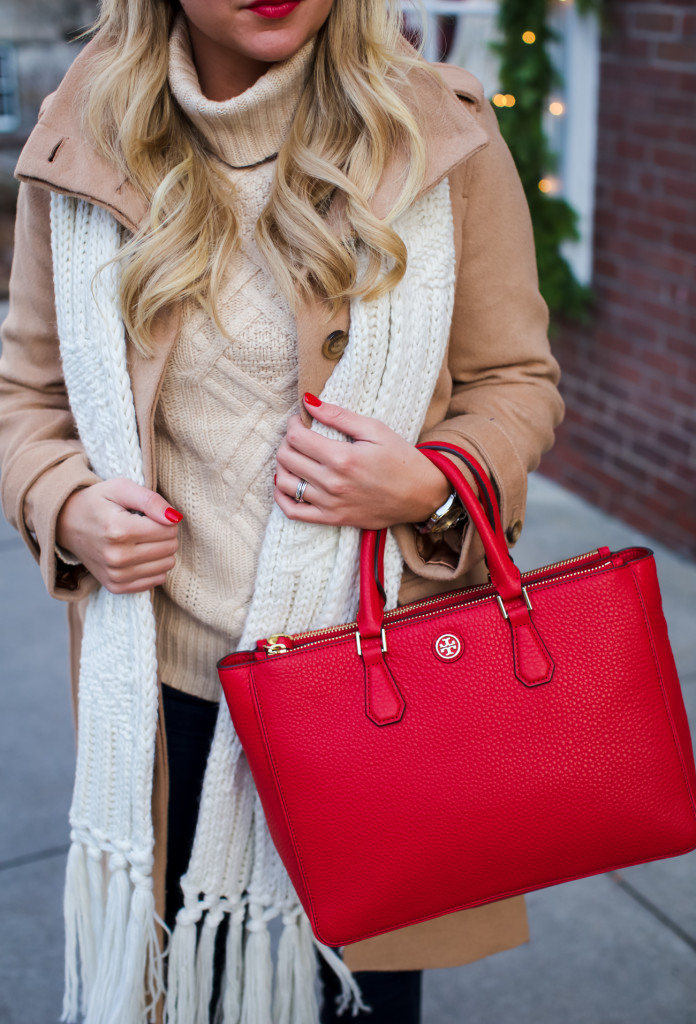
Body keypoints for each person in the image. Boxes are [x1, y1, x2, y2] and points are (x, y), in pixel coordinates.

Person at [0, 0, 564, 1021]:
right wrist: (68, 503)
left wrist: (430, 480)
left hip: (370, 688)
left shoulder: (441, 132)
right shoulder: (84, 135)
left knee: (356, 1000)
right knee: (169, 990)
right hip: (162, 697)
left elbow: (517, 382)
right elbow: (24, 396)